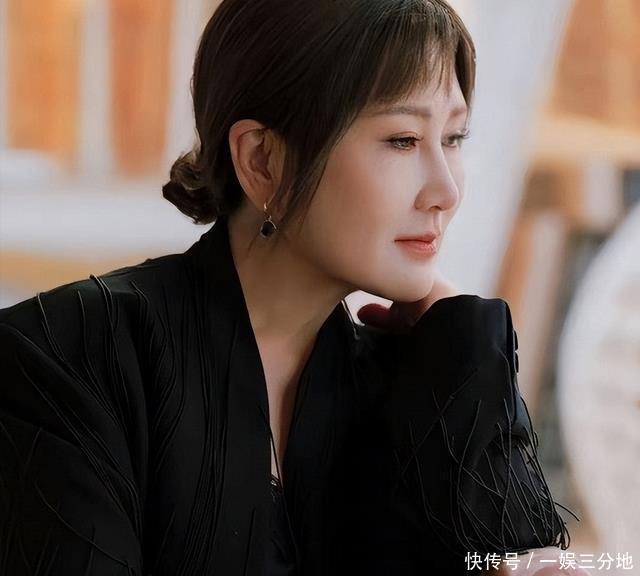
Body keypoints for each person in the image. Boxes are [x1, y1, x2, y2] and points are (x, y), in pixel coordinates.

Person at [0, 1, 579, 574]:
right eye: (403, 140)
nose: (446, 191)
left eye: (453, 138)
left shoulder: (415, 383)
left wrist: (466, 355)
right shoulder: (67, 357)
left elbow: (524, 563)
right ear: (263, 161)